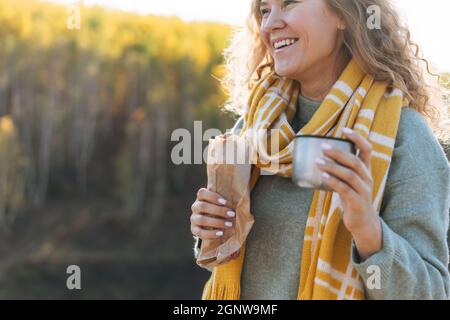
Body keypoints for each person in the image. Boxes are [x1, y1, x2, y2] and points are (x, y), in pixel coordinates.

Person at [190, 0, 450, 300]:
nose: (270, 23)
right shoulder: (255, 126)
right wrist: (211, 230)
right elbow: (231, 266)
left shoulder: (404, 138)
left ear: (343, 13)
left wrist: (367, 230)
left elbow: (430, 294)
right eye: (265, 9)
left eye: (289, 3)